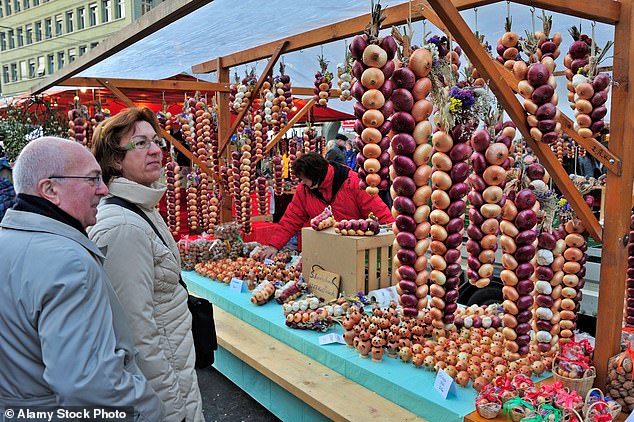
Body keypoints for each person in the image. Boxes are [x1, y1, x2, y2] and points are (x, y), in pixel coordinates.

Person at [0, 137, 163, 420]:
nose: (102, 190)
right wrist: (150, 410)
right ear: (50, 189)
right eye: (93, 179)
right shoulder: (69, 262)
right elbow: (90, 385)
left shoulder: (8, 241)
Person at [89, 107, 204, 422]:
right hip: (165, 391)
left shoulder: (143, 208)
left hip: (176, 366)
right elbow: (135, 335)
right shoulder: (123, 226)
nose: (155, 150)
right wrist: (170, 407)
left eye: (156, 141)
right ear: (114, 159)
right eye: (140, 144)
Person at [260, 152, 394, 259]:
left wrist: (396, 242)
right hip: (322, 253)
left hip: (357, 253)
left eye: (304, 178)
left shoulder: (354, 183)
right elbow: (291, 218)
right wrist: (274, 245)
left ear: (316, 176)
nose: (302, 182)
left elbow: (380, 213)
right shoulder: (304, 190)